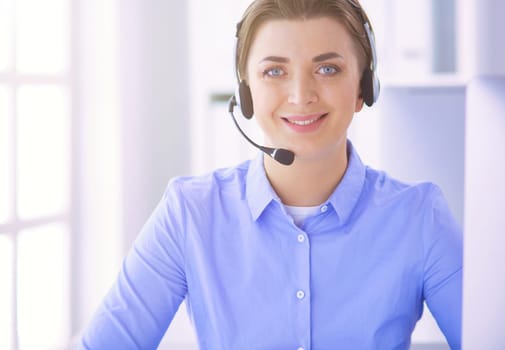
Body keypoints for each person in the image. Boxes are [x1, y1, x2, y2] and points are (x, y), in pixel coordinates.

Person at [79, 0, 463, 349]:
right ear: (245, 93)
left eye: (327, 69)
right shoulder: (190, 212)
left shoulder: (419, 216)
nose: (301, 94)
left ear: (364, 87)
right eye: (274, 71)